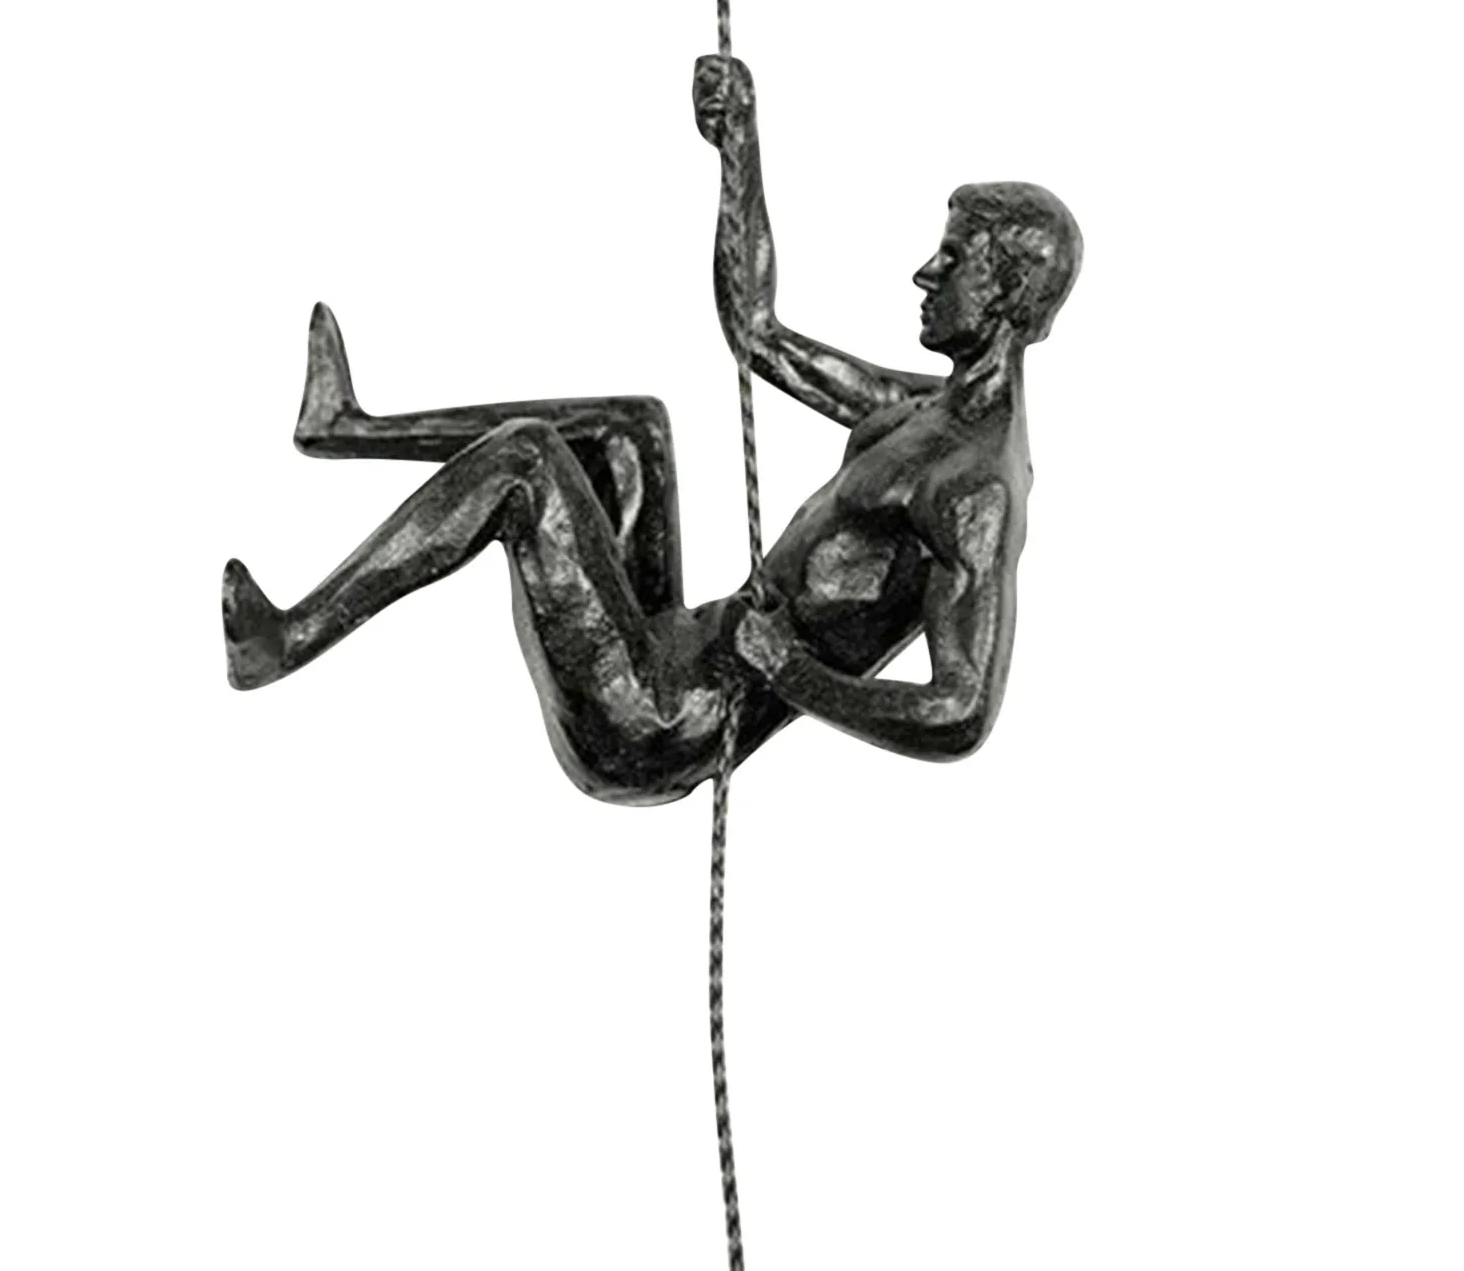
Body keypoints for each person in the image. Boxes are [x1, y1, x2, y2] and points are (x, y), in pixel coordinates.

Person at [222, 57, 1081, 804]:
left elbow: (958, 714)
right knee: (632, 432)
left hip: (659, 720)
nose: (926, 272)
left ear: (1008, 292)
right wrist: (739, 147)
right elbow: (757, 335)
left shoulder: (973, 486)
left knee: (527, 465)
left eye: (954, 259)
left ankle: (283, 641)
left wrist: (790, 673)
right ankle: (347, 428)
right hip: (674, 645)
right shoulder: (926, 410)